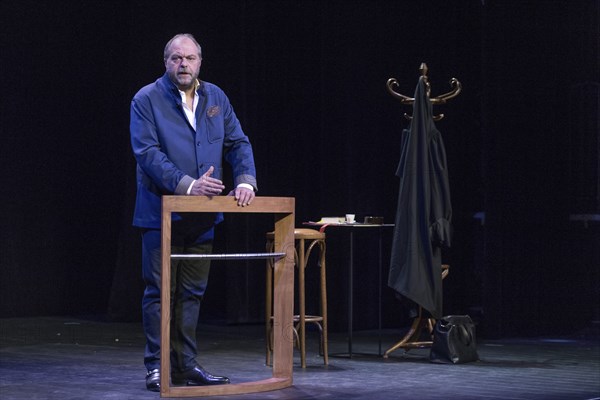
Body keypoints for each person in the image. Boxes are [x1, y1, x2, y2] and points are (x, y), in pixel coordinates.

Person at [130, 33, 257, 392]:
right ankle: (157, 367)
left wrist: (245, 181)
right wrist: (188, 185)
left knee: (192, 292)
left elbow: (238, 142)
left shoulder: (216, 97)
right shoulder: (146, 99)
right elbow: (148, 153)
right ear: (166, 62)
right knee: (159, 292)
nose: (182, 64)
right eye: (175, 58)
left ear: (200, 61)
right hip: (161, 214)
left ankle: (185, 365)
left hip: (203, 217)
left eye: (189, 58)